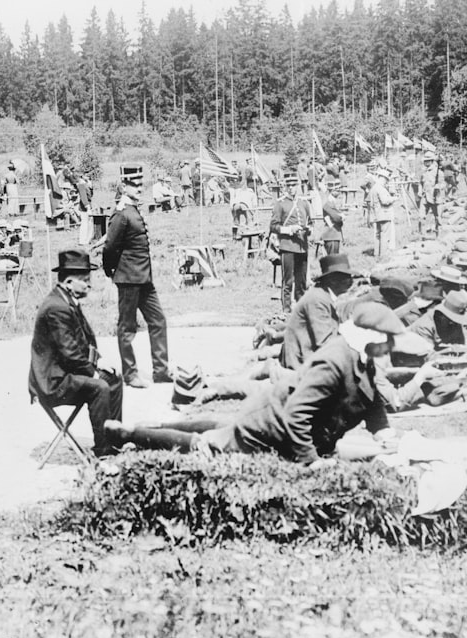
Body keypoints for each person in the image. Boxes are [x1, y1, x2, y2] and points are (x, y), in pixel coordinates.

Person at [103, 302, 402, 465]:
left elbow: (371, 397)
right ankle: (132, 433)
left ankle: (145, 426)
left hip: (274, 419)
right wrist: (311, 461)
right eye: (387, 342)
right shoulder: (335, 361)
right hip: (268, 428)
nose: (389, 349)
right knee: (208, 446)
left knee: (220, 426)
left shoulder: (361, 357)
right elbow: (296, 413)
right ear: (371, 338)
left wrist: (383, 433)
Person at [29, 248, 124, 458]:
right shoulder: (57, 308)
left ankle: (115, 441)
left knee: (115, 379)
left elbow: (82, 343)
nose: (89, 284)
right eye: (85, 279)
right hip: (53, 382)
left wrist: (99, 363)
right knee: (99, 386)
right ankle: (104, 453)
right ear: (69, 282)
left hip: (64, 373)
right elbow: (70, 354)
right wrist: (94, 372)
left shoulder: (66, 300)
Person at [103, 178, 171, 388]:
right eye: (135, 185)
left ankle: (161, 371)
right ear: (123, 187)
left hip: (144, 279)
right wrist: (110, 270)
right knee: (127, 327)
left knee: (158, 320)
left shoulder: (132, 210)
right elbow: (110, 247)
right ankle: (130, 375)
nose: (140, 188)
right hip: (129, 279)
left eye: (141, 185)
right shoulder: (122, 213)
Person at [280, 253, 356, 370]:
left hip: (308, 353)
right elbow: (325, 342)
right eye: (345, 277)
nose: (350, 281)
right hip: (300, 361)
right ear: (333, 280)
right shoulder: (317, 300)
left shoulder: (322, 295)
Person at [270, 170, 312, 313]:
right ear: (285, 187)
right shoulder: (280, 204)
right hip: (288, 246)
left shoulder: (304, 203)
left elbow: (310, 222)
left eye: (294, 185)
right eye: (289, 185)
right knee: (287, 282)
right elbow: (273, 226)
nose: (291, 188)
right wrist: (289, 230)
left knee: (301, 282)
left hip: (302, 246)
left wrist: (309, 230)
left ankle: (301, 311)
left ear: (298, 185)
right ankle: (286, 312)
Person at [368, 167, 396, 258]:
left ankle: (377, 253)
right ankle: (384, 254)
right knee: (385, 235)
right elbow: (385, 201)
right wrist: (393, 199)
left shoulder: (373, 188)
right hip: (384, 214)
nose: (386, 182)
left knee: (378, 235)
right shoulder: (380, 188)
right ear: (382, 178)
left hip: (376, 215)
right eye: (386, 180)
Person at [420, 151, 443, 235]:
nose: (426, 162)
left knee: (438, 217)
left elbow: (443, 184)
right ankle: (422, 235)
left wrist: (438, 186)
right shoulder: (423, 172)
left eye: (428, 160)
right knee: (421, 216)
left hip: (436, 197)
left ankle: (439, 234)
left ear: (432, 161)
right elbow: (421, 182)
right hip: (425, 197)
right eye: (425, 161)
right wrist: (420, 191)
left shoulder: (438, 172)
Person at [318, 180, 344, 255]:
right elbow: (337, 218)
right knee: (332, 259)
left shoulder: (332, 201)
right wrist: (342, 216)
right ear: (332, 191)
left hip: (334, 234)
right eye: (337, 190)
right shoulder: (328, 202)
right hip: (331, 235)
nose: (339, 192)